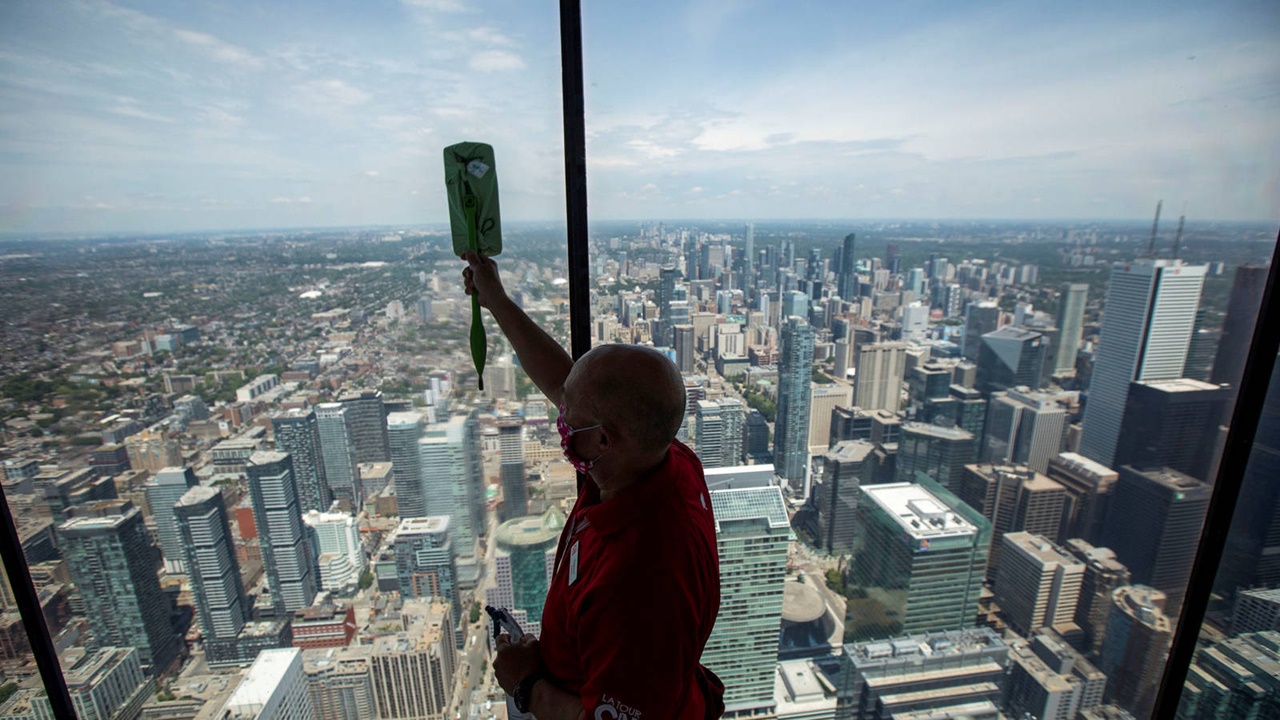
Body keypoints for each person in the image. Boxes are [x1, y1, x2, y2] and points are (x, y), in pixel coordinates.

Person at [463, 250, 725, 719]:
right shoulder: (663, 459)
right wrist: (497, 301)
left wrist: (526, 684)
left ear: (603, 440)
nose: (561, 420)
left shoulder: (638, 580)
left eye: (571, 418)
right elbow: (566, 383)